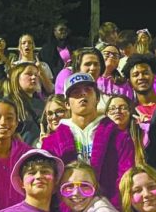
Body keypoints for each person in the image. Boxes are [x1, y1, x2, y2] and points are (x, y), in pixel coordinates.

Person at [41, 73, 135, 205]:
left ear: (97, 98)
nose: (83, 94)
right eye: (76, 92)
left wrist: (112, 208)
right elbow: (50, 182)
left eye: (88, 90)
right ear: (67, 104)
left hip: (109, 210)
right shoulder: (51, 142)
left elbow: (126, 176)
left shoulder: (120, 137)